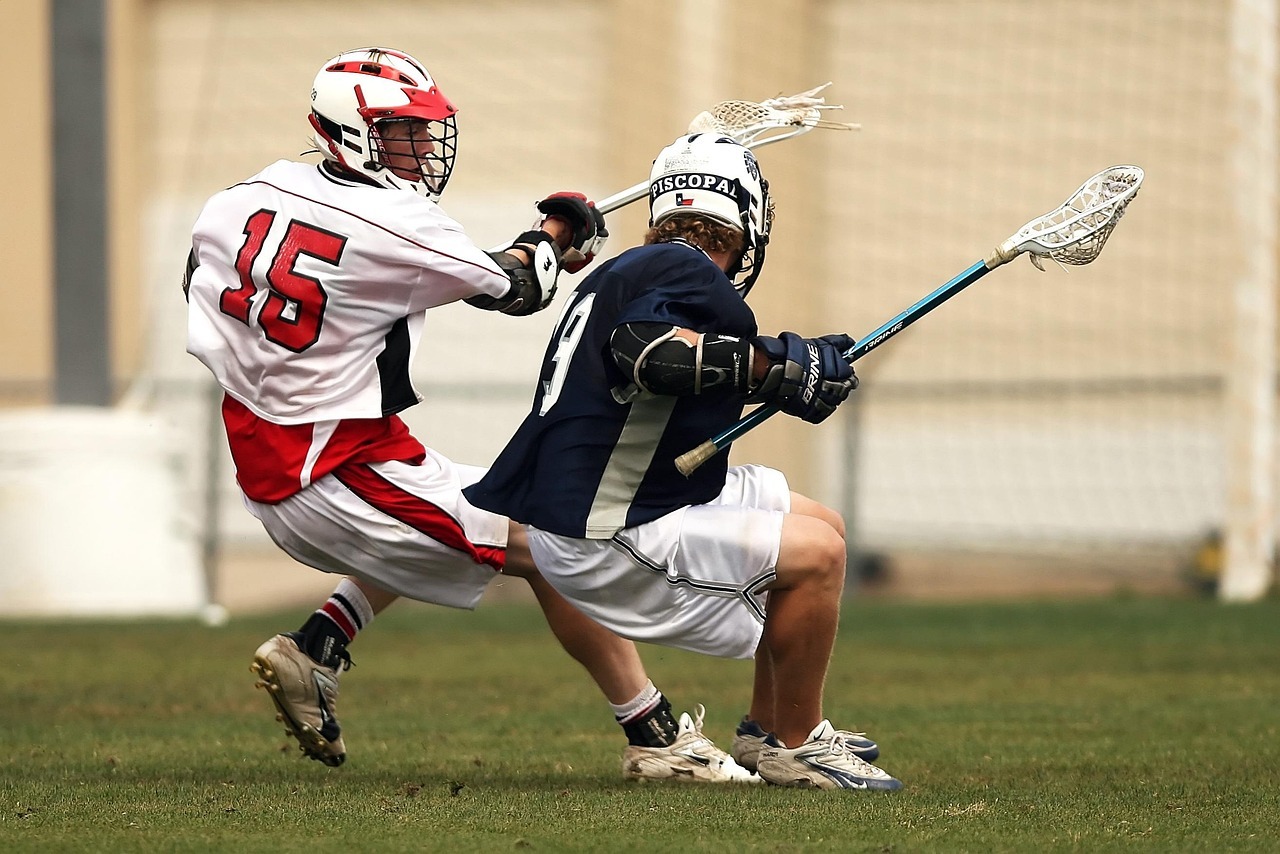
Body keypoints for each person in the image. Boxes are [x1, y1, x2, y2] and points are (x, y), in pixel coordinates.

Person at [183, 47, 755, 783]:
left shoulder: (242, 195)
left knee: (488, 502)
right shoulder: (395, 219)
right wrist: (558, 232)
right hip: (329, 470)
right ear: (346, 131)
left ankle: (319, 646)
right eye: (401, 134)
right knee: (553, 536)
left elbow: (204, 286)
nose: (420, 150)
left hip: (305, 444)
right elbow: (519, 288)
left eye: (423, 133)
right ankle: (656, 737)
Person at [464, 132, 901, 791]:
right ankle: (798, 741)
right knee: (819, 557)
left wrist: (785, 368)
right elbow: (647, 353)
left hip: (627, 495)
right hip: (604, 528)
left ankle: (763, 727)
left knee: (823, 523)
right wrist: (776, 365)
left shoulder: (634, 270)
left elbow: (651, 370)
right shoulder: (688, 271)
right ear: (748, 222)